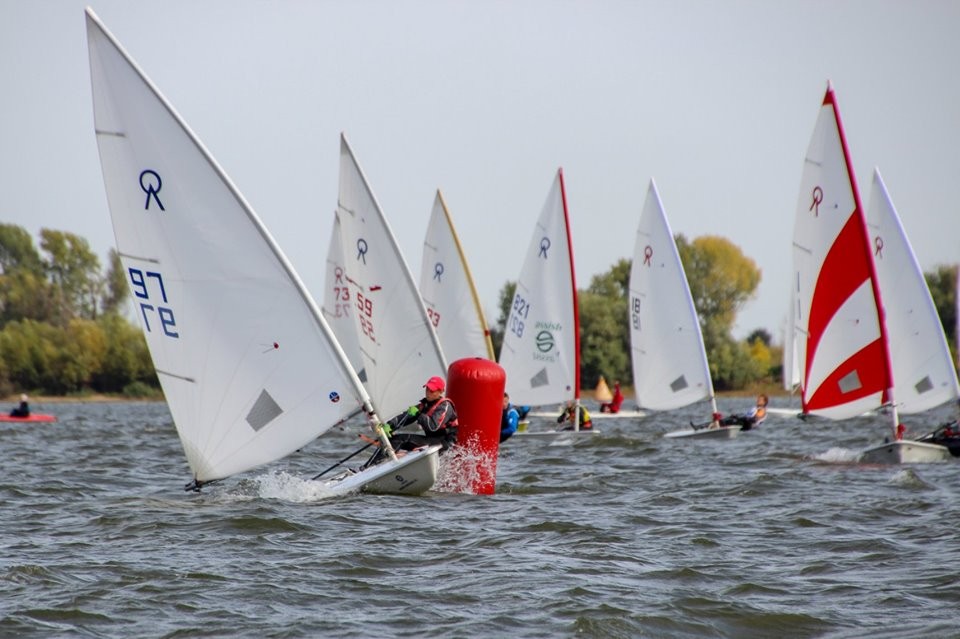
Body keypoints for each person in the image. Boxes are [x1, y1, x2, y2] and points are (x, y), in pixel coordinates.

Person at [364, 376, 458, 466]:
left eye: (432, 390)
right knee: (391, 439)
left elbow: (432, 426)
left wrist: (419, 413)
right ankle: (370, 466)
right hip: (432, 441)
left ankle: (373, 466)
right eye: (427, 389)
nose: (428, 393)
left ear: (441, 391)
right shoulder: (424, 405)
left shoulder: (445, 406)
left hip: (444, 444)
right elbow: (404, 418)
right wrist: (389, 426)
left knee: (401, 439)